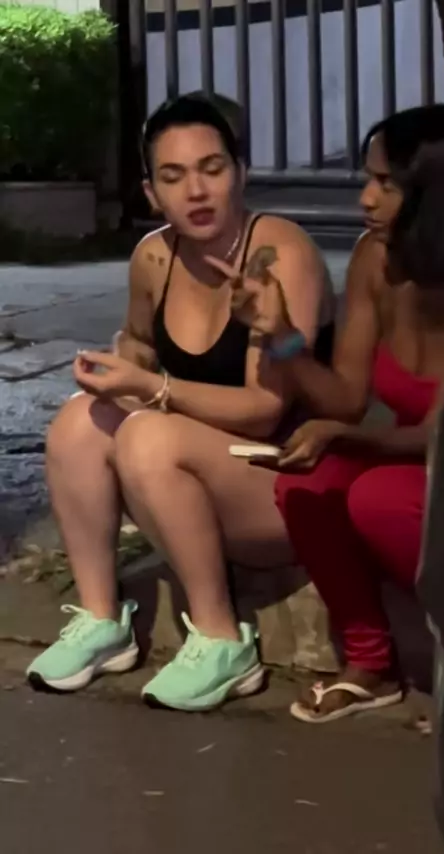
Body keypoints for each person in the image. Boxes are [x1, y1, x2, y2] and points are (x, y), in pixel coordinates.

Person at [26, 93, 335, 710]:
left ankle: (223, 639)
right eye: (173, 176)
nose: (196, 191)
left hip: (285, 481)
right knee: (78, 422)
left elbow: (265, 409)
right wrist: (120, 368)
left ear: (240, 172)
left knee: (148, 434)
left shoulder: (279, 253)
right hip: (199, 466)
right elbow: (140, 342)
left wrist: (154, 391)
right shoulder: (154, 256)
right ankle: (102, 620)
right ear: (151, 192)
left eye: (211, 169)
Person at [225, 104, 444, 723]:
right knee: (306, 483)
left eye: (385, 183)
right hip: (427, 457)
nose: (365, 196)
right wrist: (281, 333)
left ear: (438, 192)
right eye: (368, 178)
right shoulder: (374, 257)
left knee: (379, 498)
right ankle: (370, 664)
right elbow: (345, 397)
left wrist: (344, 435)